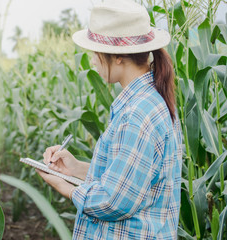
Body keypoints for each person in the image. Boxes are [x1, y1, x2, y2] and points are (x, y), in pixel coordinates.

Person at [36, 0, 183, 239]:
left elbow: (114, 201)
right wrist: (76, 169)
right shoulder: (145, 101)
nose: (93, 60)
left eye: (96, 52)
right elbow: (130, 179)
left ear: (117, 57)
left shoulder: (138, 114)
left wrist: (67, 188)